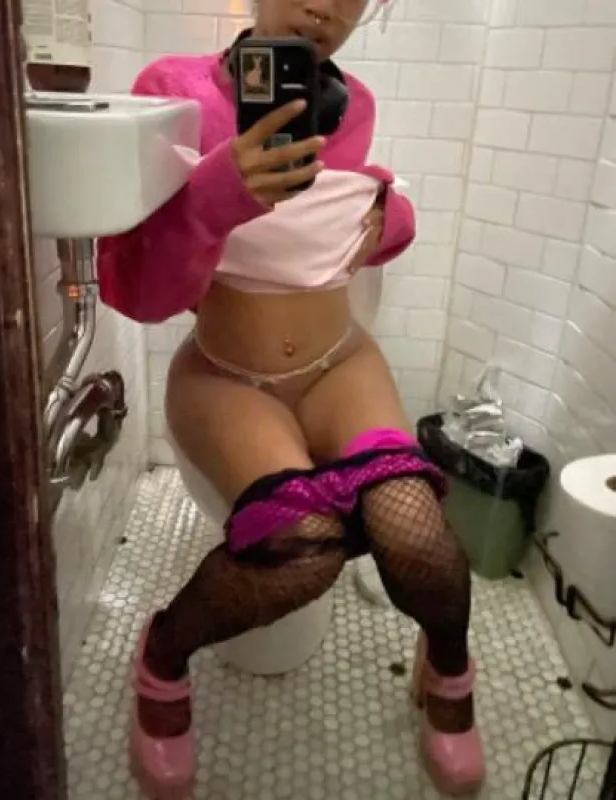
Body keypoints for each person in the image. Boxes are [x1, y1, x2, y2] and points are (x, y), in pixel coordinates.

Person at [97, 1, 486, 797]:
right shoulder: (171, 91)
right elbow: (138, 295)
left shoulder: (353, 105)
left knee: (415, 536)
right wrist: (212, 197)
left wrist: (389, 218)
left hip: (340, 363)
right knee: (301, 551)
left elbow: (332, 236)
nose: (324, 7)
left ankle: (448, 663)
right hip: (227, 377)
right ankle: (162, 657)